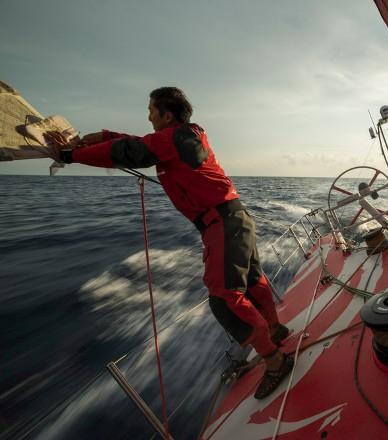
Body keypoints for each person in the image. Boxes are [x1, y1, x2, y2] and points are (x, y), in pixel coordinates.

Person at [45, 87, 292, 399]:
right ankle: (274, 328)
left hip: (223, 225)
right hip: (233, 220)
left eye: (151, 110)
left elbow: (132, 152)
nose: (148, 116)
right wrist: (104, 134)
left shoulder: (175, 138)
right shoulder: (181, 137)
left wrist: (69, 155)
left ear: (167, 114)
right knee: (253, 280)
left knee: (225, 298)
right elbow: (138, 144)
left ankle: (274, 360)